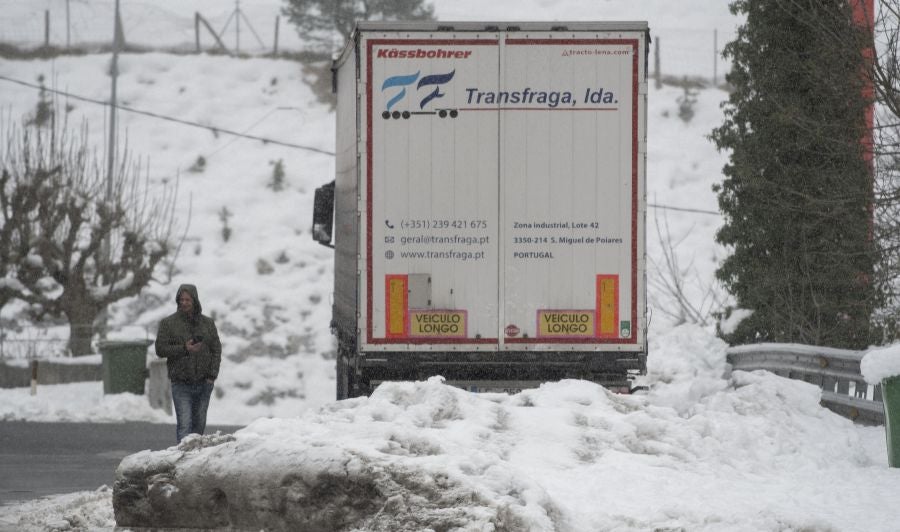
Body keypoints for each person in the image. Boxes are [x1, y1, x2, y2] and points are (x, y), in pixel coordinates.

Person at [155, 284, 222, 443]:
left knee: (198, 428)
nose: (184, 302)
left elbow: (216, 350)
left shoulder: (207, 323)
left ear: (195, 300)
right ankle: (183, 462)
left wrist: (212, 375)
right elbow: (160, 349)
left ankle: (195, 463)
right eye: (181, 299)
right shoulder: (168, 323)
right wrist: (184, 348)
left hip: (204, 383)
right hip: (181, 383)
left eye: (187, 299)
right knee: (185, 426)